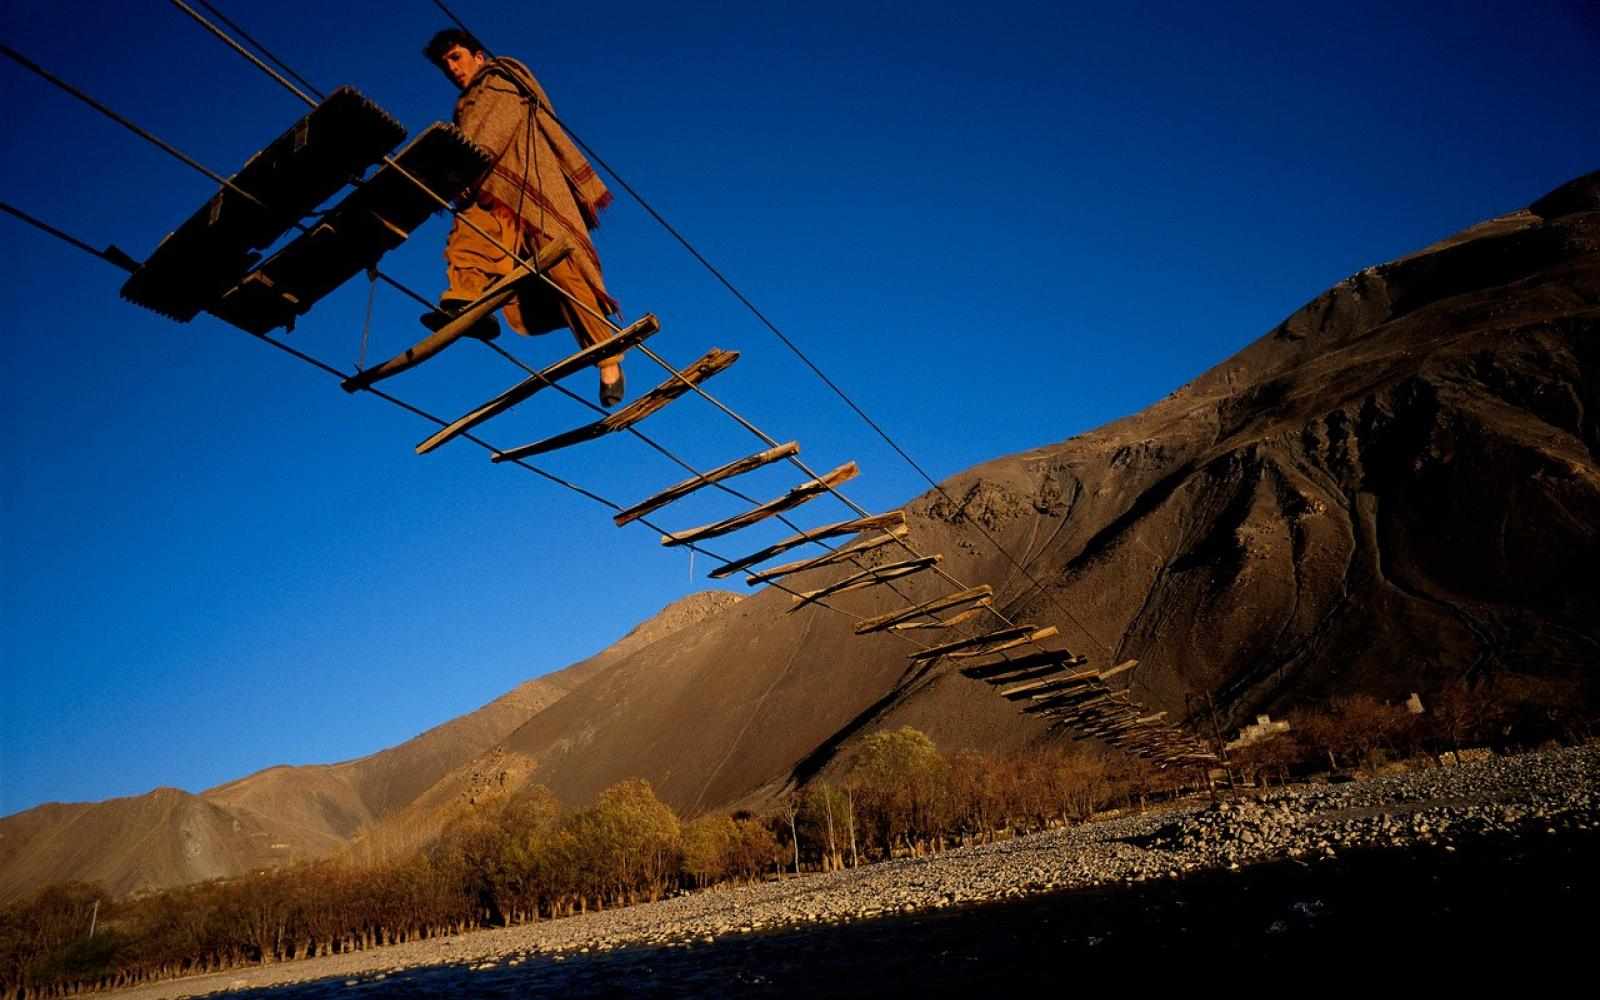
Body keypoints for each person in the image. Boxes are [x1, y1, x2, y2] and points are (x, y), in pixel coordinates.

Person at [423, 29, 626, 407]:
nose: (451, 68)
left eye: (455, 57)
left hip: (530, 185)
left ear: (477, 56)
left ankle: (609, 358)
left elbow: (493, 131)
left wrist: (464, 167)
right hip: (490, 187)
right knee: (468, 235)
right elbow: (473, 139)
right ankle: (468, 303)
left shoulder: (502, 78)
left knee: (565, 274)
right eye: (444, 64)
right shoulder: (465, 105)